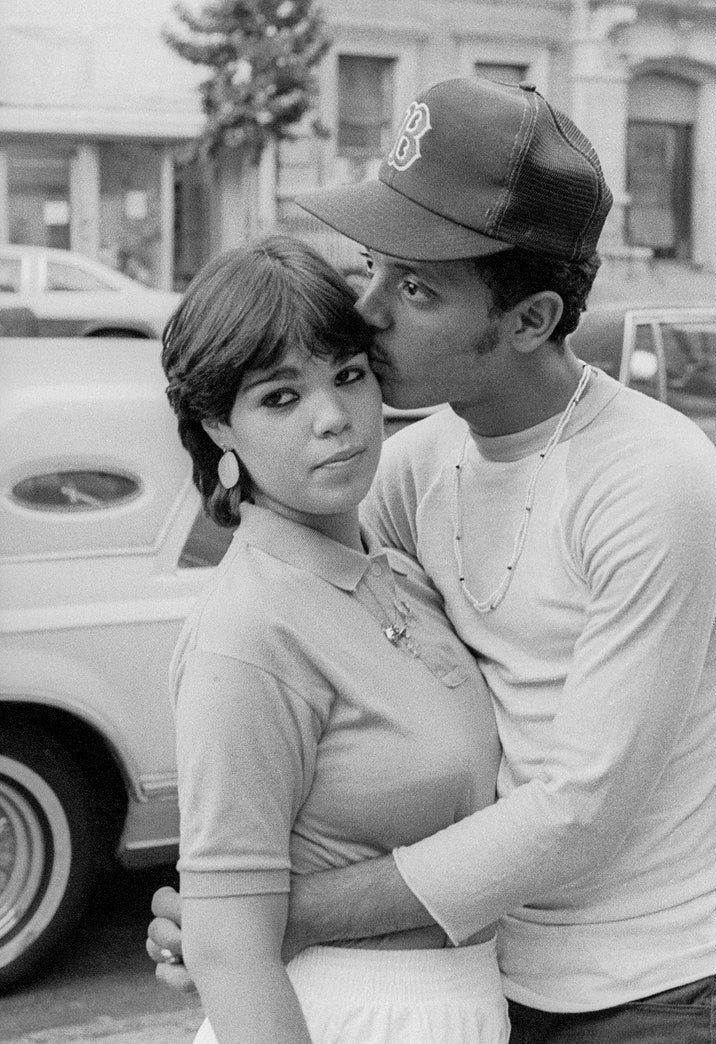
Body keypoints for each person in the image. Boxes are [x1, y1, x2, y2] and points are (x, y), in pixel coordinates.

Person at [150, 77, 716, 1042]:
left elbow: (581, 810)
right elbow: (301, 628)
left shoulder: (654, 482)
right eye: (375, 266)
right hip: (471, 984)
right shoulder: (414, 467)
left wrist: (268, 920)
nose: (368, 309)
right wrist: (233, 915)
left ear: (528, 320)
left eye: (417, 286)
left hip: (642, 993)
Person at [161, 236, 507, 1042]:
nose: (333, 419)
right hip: (341, 1014)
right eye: (280, 398)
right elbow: (228, 951)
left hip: (461, 1004)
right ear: (219, 426)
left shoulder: (399, 574)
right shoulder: (247, 629)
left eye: (349, 376)